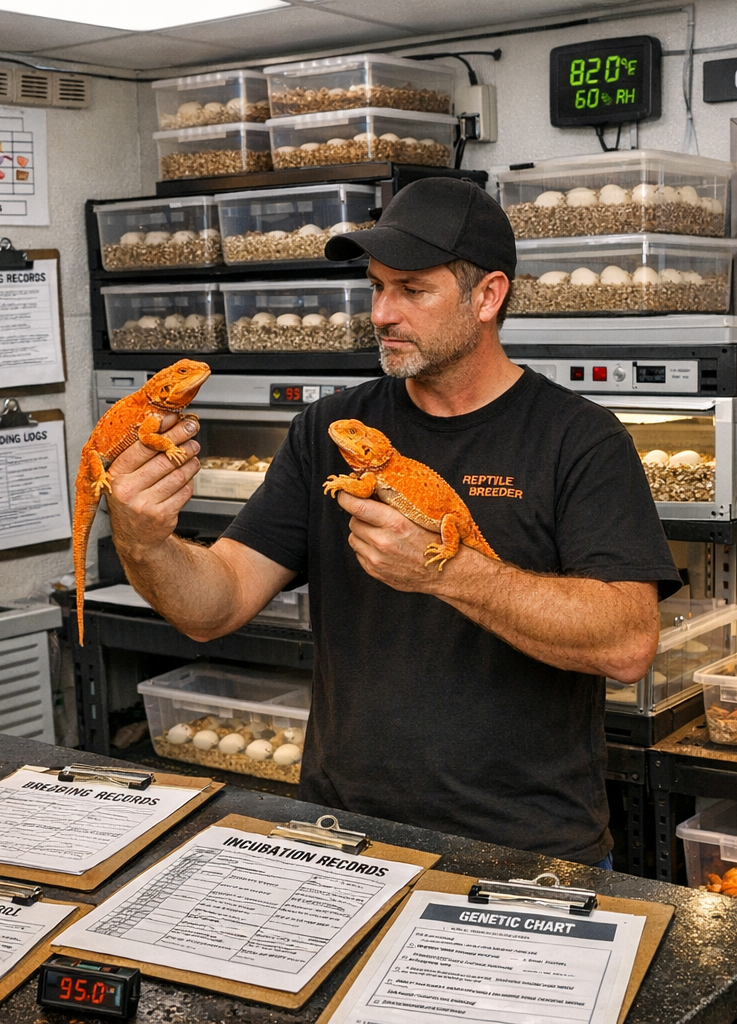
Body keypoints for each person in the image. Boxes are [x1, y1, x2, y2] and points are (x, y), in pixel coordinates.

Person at [102, 177, 681, 866]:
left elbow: (625, 644)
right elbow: (213, 604)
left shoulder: (579, 440)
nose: (381, 313)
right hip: (343, 834)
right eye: (376, 287)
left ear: (488, 296)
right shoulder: (330, 430)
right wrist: (143, 540)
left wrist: (450, 572)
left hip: (526, 849)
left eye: (412, 290)